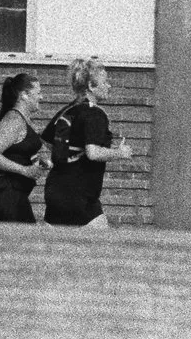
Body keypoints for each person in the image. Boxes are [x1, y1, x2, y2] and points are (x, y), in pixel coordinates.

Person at [41, 57, 131, 228]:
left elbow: (48, 141)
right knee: (100, 250)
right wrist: (120, 153)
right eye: (105, 82)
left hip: (55, 191)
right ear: (91, 85)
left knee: (60, 251)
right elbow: (93, 152)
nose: (109, 86)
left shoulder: (67, 110)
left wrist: (70, 156)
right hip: (80, 195)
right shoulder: (95, 114)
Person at [0, 71, 51, 223]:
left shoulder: (22, 120)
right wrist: (25, 170)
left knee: (9, 241)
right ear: (24, 95)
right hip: (6, 190)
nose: (41, 97)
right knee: (25, 238)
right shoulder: (14, 120)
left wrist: (38, 162)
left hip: (13, 191)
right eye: (38, 93)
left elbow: (18, 151)